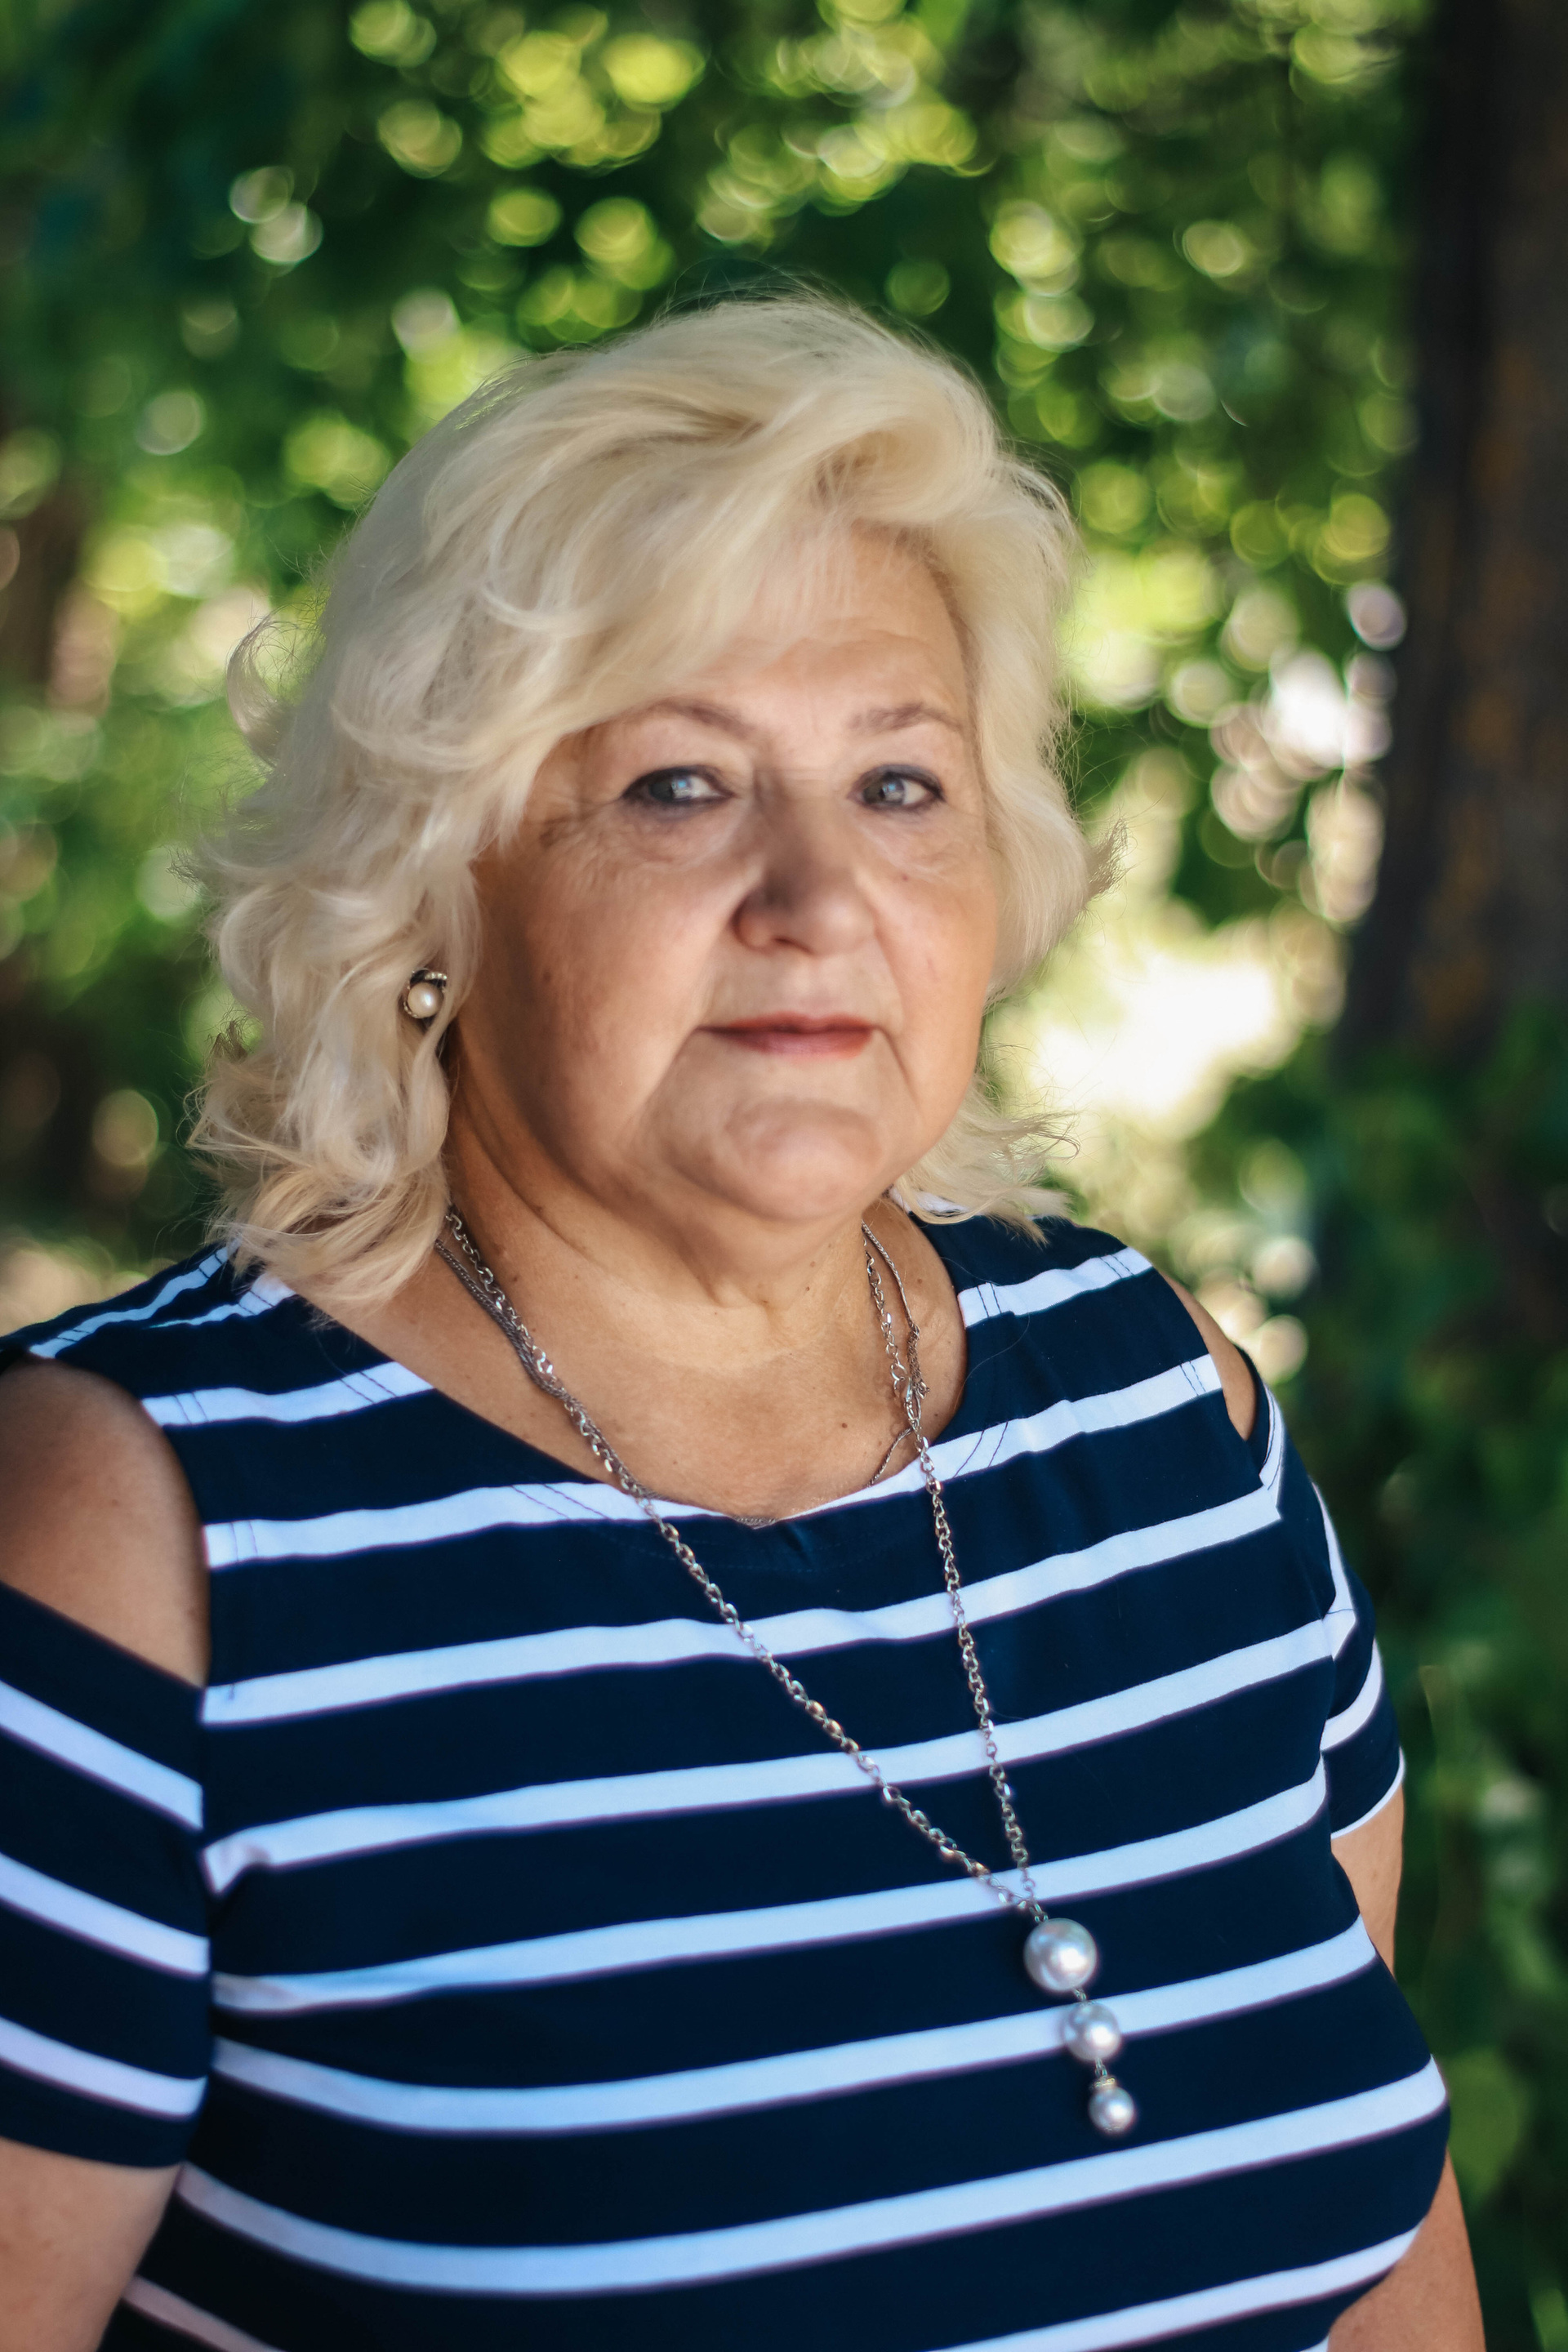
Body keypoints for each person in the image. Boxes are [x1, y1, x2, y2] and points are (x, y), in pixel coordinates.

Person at [0, 297, 1481, 2352]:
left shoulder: (1167, 1412)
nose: (817, 895)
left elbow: (1378, 2254)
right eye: (680, 784)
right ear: (437, 880)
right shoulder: (132, 1533)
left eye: (900, 783)